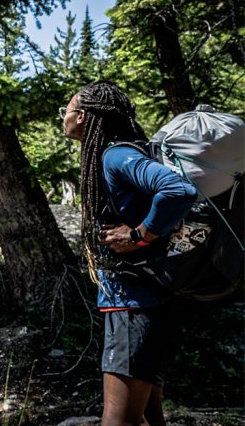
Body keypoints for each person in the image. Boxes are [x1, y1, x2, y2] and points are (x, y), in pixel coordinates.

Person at [61, 81, 197, 426]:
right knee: (149, 417)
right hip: (149, 300)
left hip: (134, 303)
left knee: (118, 419)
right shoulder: (117, 153)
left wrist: (138, 234)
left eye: (67, 108)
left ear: (84, 116)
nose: (64, 116)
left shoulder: (116, 155)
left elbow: (178, 190)